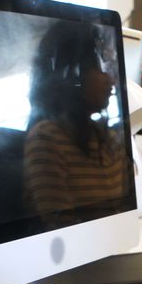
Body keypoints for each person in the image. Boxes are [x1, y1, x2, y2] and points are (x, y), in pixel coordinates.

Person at [23, 21, 132, 227]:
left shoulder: (106, 136)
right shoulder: (47, 138)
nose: (112, 79)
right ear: (73, 75)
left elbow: (122, 212)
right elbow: (60, 226)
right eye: (101, 67)